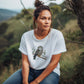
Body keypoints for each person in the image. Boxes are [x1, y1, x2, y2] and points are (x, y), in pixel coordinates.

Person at [3, 0, 67, 84]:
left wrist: (36, 82)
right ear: (35, 19)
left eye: (49, 19)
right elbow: (25, 62)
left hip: (50, 71)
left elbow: (54, 63)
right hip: (30, 70)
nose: (47, 22)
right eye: (43, 18)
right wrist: (25, 81)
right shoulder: (26, 36)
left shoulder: (57, 35)